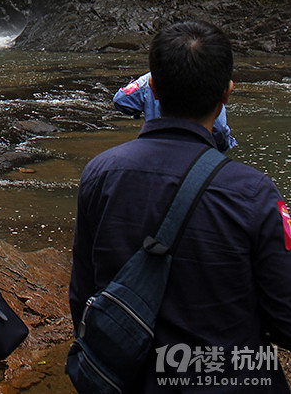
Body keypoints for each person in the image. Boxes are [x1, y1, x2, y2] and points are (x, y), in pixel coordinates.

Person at [70, 21, 291, 391]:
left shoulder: (100, 174)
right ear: (227, 93)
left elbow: (83, 295)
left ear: (152, 88)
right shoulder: (254, 192)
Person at [113, 68, 237, 150]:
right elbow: (220, 130)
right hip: (196, 152)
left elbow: (121, 100)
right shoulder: (208, 80)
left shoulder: (153, 78)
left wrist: (139, 110)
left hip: (154, 147)